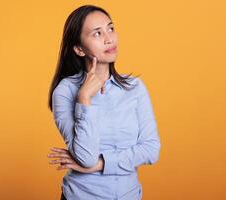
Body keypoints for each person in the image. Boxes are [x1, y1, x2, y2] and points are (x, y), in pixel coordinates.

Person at [47, 4, 161, 200]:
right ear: (79, 49)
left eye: (111, 28)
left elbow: (151, 149)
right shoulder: (65, 92)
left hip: (130, 195)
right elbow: (85, 157)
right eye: (97, 33)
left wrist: (101, 164)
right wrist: (84, 98)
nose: (109, 38)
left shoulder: (134, 87)